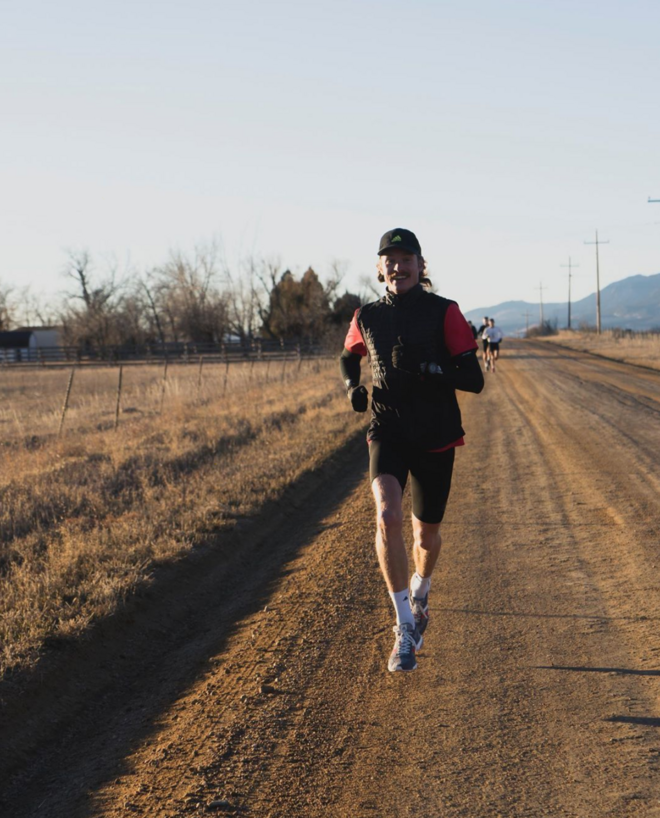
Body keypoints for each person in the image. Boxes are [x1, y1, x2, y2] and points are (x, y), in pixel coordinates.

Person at [339, 228, 484, 672]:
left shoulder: (445, 312)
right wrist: (352, 386)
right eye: (390, 259)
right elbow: (349, 355)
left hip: (436, 434)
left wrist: (431, 369)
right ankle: (404, 627)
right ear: (379, 268)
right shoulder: (367, 316)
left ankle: (421, 594)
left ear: (421, 266)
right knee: (387, 515)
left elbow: (473, 379)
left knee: (426, 536)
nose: (398, 267)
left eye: (407, 259)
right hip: (388, 430)